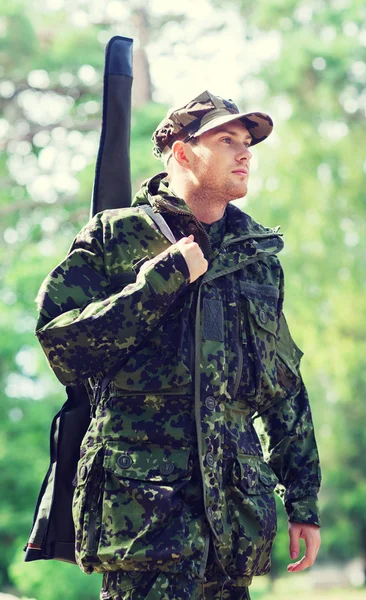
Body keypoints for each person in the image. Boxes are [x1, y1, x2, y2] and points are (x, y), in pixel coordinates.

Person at [35, 90, 321, 600]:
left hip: (233, 524)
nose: (245, 152)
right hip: (144, 523)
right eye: (227, 139)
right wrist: (159, 283)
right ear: (183, 153)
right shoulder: (114, 238)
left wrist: (303, 501)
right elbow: (63, 346)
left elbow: (283, 386)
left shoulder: (257, 259)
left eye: (248, 142)